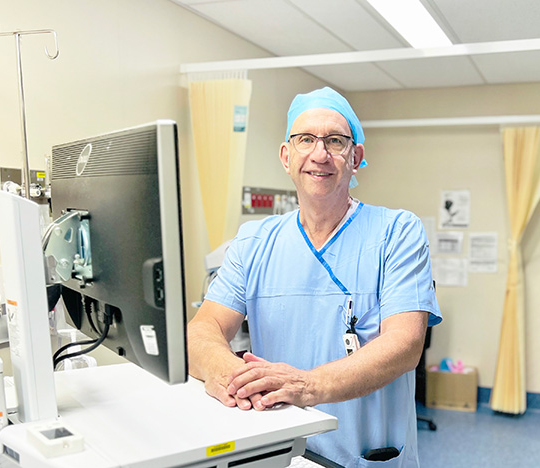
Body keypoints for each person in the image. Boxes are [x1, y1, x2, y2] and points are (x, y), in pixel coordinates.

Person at [188, 87, 441, 467]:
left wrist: (306, 386)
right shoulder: (254, 241)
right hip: (279, 450)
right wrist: (225, 371)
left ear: (356, 157)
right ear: (286, 157)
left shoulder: (397, 232)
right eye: (305, 139)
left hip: (364, 454)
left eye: (335, 141)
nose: (319, 154)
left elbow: (405, 344)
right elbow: (203, 328)